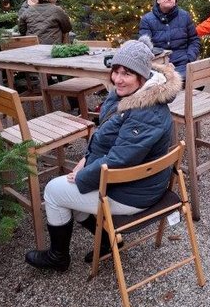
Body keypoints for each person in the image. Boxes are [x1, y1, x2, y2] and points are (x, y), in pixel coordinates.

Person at [25, 35, 183, 272]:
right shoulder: (129, 95)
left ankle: (58, 257)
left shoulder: (146, 112)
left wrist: (82, 176)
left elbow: (119, 160)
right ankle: (110, 241)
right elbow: (108, 140)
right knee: (72, 187)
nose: (118, 79)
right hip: (135, 182)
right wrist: (85, 161)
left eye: (127, 74)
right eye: (115, 71)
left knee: (54, 191)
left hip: (135, 193)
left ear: (142, 76)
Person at [139, 0, 201, 80]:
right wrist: (161, 63)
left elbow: (194, 40)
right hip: (159, 66)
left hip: (183, 64)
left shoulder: (185, 16)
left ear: (175, 1)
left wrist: (190, 57)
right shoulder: (147, 20)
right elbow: (145, 48)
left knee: (191, 80)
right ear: (158, 0)